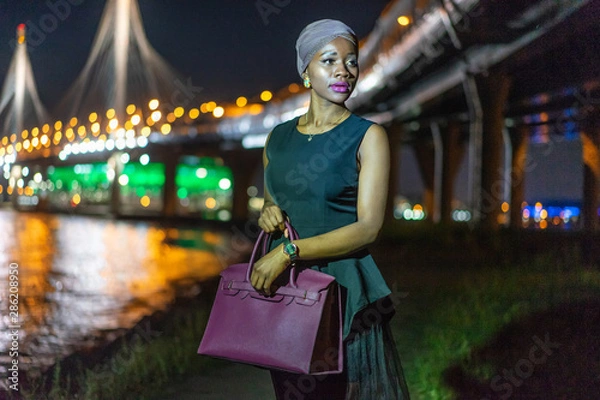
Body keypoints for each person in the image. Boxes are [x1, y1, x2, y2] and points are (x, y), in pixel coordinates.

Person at [250, 19, 410, 399]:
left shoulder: (368, 136)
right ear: (306, 71)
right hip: (285, 292)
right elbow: (276, 199)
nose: (343, 70)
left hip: (341, 295)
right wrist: (268, 212)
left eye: (351, 62)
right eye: (329, 60)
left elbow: (369, 227)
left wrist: (288, 253)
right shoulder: (277, 138)